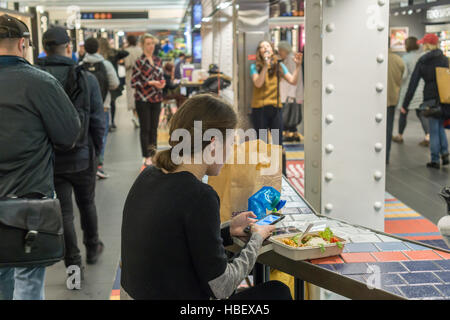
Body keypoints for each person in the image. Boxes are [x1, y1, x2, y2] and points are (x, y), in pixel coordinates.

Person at [120, 94, 292, 300]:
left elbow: (178, 240)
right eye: (230, 144)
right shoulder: (200, 196)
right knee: (277, 293)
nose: (230, 153)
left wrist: (228, 231)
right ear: (213, 145)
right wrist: (256, 238)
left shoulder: (149, 175)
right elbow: (221, 287)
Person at [0, 15, 80, 300]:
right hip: (29, 204)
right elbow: (69, 134)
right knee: (29, 282)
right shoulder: (41, 83)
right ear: (23, 44)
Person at [36, 27, 106, 282]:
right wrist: (97, 151)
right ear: (68, 47)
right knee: (87, 203)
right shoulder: (85, 78)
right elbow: (98, 119)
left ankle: (72, 265)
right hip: (82, 154)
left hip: (52, 157)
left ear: (44, 47)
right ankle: (93, 247)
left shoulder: (36, 77)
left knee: (63, 211)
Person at [402, 33, 450, 169]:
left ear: (428, 44)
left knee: (434, 128)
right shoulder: (444, 59)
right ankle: (445, 153)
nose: (422, 45)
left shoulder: (423, 61)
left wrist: (406, 103)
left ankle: (435, 159)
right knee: (440, 126)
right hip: (444, 98)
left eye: (424, 43)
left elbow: (413, 83)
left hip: (430, 98)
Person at [80, 37, 120, 179]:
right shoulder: (106, 64)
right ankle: (98, 165)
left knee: (85, 135)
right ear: (98, 49)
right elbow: (115, 84)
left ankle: (87, 164)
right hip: (103, 106)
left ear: (84, 49)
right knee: (101, 136)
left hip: (84, 107)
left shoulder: (80, 65)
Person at [250, 40, 303, 145]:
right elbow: (258, 83)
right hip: (259, 109)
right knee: (262, 143)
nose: (265, 48)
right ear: (259, 52)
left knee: (277, 143)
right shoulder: (254, 67)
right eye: (262, 47)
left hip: (275, 109)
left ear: (272, 50)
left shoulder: (279, 65)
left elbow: (293, 81)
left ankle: (278, 161)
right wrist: (265, 65)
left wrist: (297, 66)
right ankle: (263, 162)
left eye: (268, 46)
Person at [131, 33, 166, 167]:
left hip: (156, 98)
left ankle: (153, 154)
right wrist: (149, 83)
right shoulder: (139, 62)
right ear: (142, 45)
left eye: (152, 43)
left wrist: (161, 84)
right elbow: (134, 83)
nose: (151, 46)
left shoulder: (158, 60)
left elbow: (161, 77)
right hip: (143, 99)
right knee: (145, 129)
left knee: (154, 128)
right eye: (148, 44)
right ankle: (146, 156)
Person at [392, 37, 429, 146]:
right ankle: (428, 136)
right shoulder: (421, 57)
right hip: (421, 90)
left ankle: (400, 135)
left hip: (407, 90)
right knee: (421, 113)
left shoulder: (405, 58)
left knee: (403, 112)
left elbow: (403, 76)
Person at [99, 37, 129, 131]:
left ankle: (103, 123)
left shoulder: (99, 56)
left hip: (101, 81)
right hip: (112, 81)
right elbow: (125, 53)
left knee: (102, 102)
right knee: (112, 102)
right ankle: (112, 122)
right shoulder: (113, 53)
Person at [278, 41, 304, 142]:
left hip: (291, 94)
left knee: (289, 116)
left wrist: (291, 95)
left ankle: (290, 134)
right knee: (290, 116)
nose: (279, 52)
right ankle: (292, 134)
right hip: (290, 94)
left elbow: (294, 78)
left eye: (280, 50)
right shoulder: (288, 59)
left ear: (285, 50)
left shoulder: (290, 59)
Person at [386, 40, 405, 165]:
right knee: (388, 129)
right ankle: (385, 156)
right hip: (391, 99)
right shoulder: (398, 60)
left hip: (371, 102)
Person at [124, 35, 142, 128]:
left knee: (131, 96)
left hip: (130, 75)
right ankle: (138, 116)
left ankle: (135, 116)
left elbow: (127, 64)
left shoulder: (127, 51)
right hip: (140, 75)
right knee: (139, 95)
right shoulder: (140, 50)